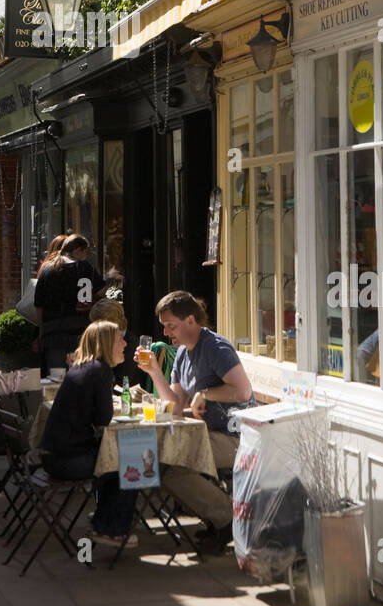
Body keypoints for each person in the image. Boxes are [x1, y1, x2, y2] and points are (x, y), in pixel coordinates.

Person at [139, 290, 256, 554]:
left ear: (190, 320)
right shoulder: (181, 354)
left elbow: (243, 391)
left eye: (171, 326)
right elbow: (177, 407)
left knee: (173, 464)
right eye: (164, 327)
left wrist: (205, 393)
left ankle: (227, 518)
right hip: (208, 434)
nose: (167, 333)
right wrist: (155, 372)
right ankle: (221, 518)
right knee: (161, 462)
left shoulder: (216, 347)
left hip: (238, 437)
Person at [39, 320, 137, 545]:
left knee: (116, 459)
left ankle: (105, 519)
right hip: (67, 460)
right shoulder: (100, 371)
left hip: (53, 455)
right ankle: (112, 529)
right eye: (119, 339)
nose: (124, 344)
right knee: (133, 462)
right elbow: (104, 420)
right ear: (105, 344)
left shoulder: (83, 367)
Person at [34, 234, 105, 370]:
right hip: (80, 331)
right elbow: (102, 291)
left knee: (55, 379)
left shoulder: (47, 271)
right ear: (78, 251)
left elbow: (39, 306)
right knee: (80, 375)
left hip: (53, 333)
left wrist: (41, 331)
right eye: (85, 252)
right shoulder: (85, 268)